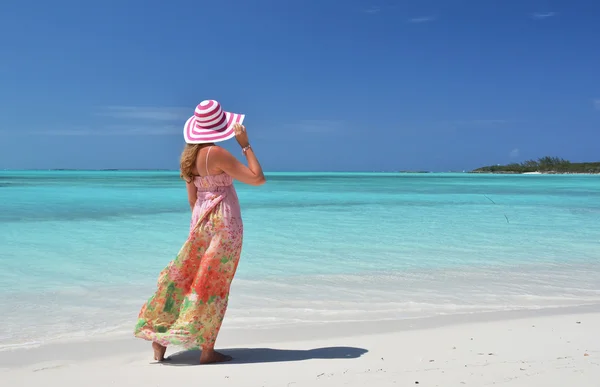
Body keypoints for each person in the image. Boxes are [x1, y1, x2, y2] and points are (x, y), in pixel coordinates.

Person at [134, 100, 266, 364]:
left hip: (200, 220)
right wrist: (245, 144)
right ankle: (207, 351)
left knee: (184, 278)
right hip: (223, 223)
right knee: (213, 283)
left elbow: (193, 200)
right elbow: (257, 178)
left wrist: (202, 219)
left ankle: (160, 342)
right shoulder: (216, 153)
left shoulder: (188, 157)